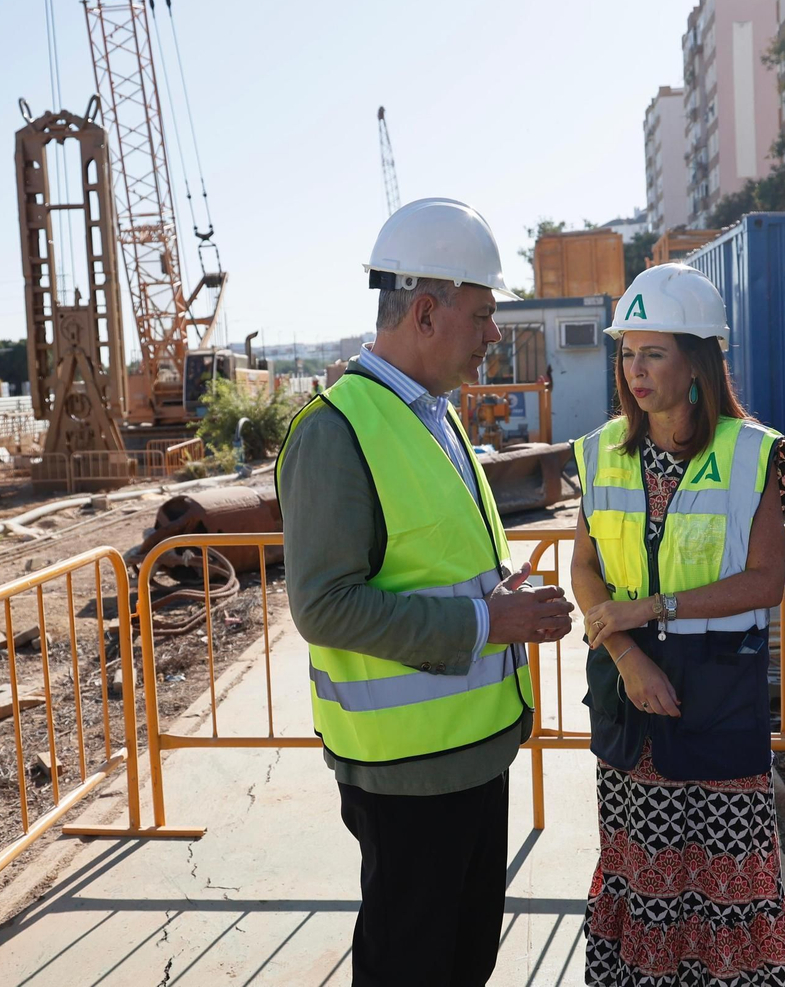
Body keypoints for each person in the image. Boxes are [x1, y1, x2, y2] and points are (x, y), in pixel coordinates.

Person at [276, 197, 576, 987]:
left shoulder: (436, 415)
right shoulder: (336, 432)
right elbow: (323, 605)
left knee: (464, 959)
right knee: (411, 966)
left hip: (472, 753)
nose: (492, 335)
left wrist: (500, 592)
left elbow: (434, 559)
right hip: (409, 774)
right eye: (481, 316)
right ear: (425, 311)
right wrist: (488, 618)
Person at [569, 263, 785, 986]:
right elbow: (585, 571)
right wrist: (626, 655)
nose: (634, 370)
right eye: (626, 352)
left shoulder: (753, 454)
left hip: (717, 708)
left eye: (654, 352)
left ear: (698, 359)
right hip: (630, 711)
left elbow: (766, 581)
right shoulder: (602, 451)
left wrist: (652, 609)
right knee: (639, 880)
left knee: (734, 881)